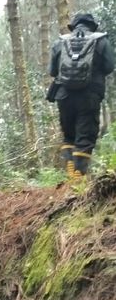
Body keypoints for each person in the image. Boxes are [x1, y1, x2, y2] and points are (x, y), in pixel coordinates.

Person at [48, 13, 115, 180]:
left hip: (64, 96)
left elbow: (52, 71)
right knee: (85, 135)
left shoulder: (60, 42)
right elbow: (109, 67)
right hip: (90, 95)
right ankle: (79, 178)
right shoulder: (101, 41)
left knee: (69, 135)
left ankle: (72, 175)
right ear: (92, 26)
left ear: (74, 26)